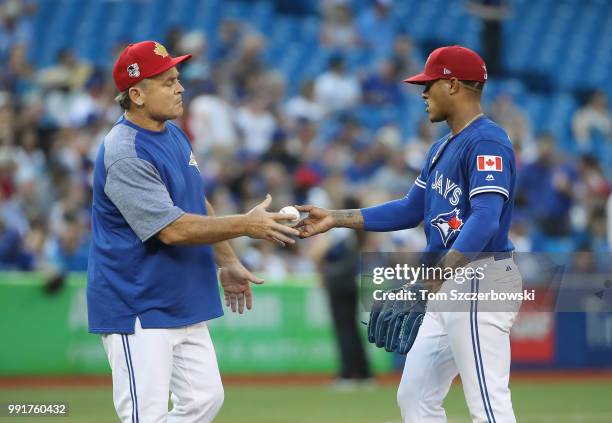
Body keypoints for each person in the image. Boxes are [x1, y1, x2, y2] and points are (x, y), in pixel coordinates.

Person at [297, 46, 521, 422]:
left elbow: (486, 219)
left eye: (429, 84)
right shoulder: (441, 147)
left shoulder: (487, 140)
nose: (422, 93)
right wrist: (335, 218)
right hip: (449, 283)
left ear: (452, 85)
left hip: (480, 278)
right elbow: (408, 208)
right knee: (415, 397)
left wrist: (437, 275)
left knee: (487, 401)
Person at [87, 41, 299, 423]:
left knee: (204, 401)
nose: (180, 88)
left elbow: (195, 202)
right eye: (167, 82)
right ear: (136, 94)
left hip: (179, 297)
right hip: (137, 303)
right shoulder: (125, 151)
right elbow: (172, 229)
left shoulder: (172, 133)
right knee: (145, 417)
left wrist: (228, 260)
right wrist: (247, 224)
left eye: (177, 79)